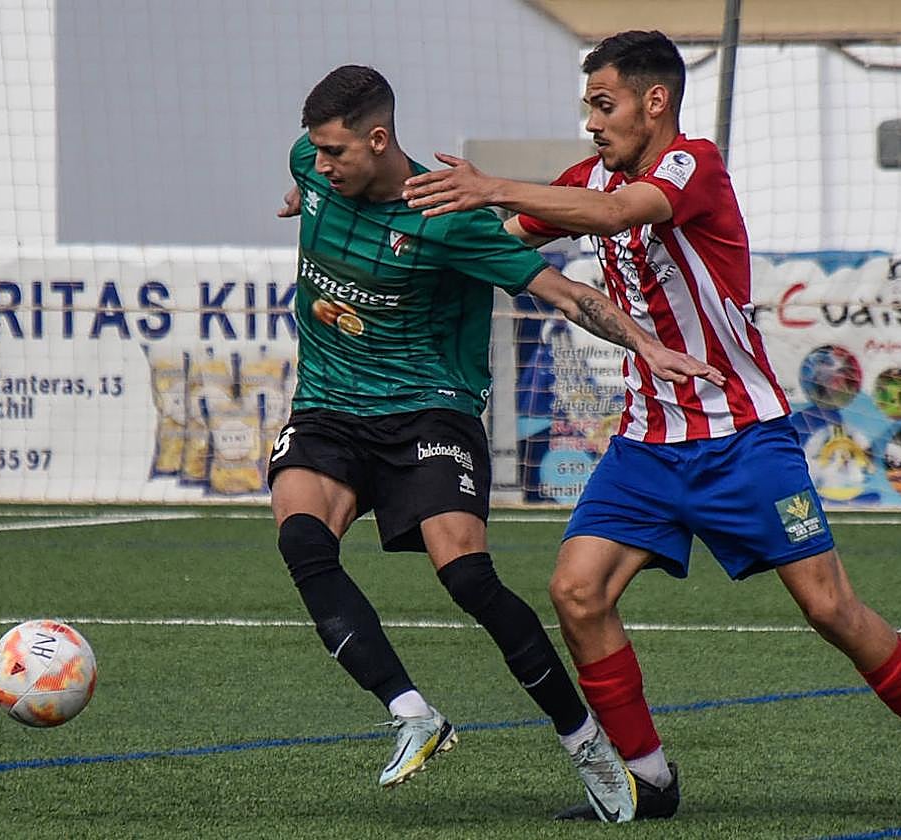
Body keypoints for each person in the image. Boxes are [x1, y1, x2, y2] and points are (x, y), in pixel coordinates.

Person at [402, 30, 901, 824]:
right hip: (645, 445)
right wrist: (370, 213)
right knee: (575, 589)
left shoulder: (690, 163)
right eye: (588, 107)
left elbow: (612, 211)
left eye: (605, 104)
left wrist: (494, 185)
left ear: (653, 101)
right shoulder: (583, 178)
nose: (592, 123)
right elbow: (496, 240)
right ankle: (649, 779)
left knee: (831, 609)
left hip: (743, 438)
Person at [271, 63, 726, 822]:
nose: (318, 165)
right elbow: (309, 177)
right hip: (328, 408)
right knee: (302, 541)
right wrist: (308, 190)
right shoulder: (312, 166)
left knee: (469, 580)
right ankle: (413, 712)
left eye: (335, 154)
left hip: (429, 412)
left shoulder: (447, 219)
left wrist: (645, 346)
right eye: (313, 154)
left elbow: (564, 293)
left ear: (379, 139)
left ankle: (584, 743)